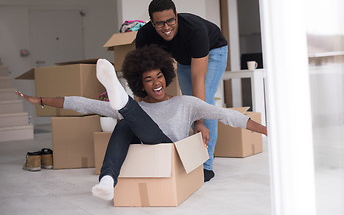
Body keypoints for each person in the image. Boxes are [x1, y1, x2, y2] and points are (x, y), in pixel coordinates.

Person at [17, 45, 267, 201]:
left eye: (159, 76)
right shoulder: (142, 108)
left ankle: (121, 99)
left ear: (166, 77)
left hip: (170, 151)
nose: (156, 82)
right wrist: (39, 99)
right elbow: (84, 104)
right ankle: (107, 181)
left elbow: (227, 115)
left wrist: (267, 130)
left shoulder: (186, 103)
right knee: (125, 122)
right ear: (141, 83)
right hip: (143, 149)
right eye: (149, 79)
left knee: (126, 115)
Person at [136, 0, 229, 181]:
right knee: (188, 103)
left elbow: (198, 79)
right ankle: (187, 157)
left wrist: (199, 121)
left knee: (204, 100)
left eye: (170, 20)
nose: (167, 27)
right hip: (185, 59)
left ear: (176, 16)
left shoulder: (195, 30)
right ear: (152, 23)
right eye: (160, 23)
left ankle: (206, 165)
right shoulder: (145, 36)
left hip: (213, 51)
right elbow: (143, 75)